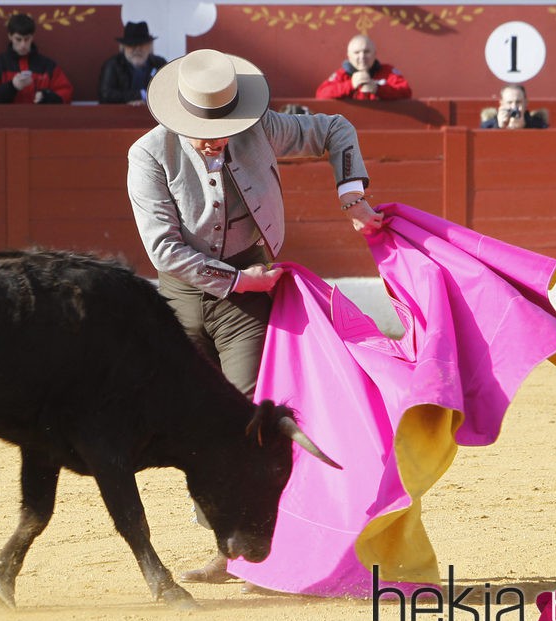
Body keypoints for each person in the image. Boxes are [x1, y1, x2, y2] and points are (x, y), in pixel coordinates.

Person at [127, 48, 382, 586]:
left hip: (247, 304)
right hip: (181, 302)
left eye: (221, 126)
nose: (213, 137)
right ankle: (225, 542)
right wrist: (241, 279)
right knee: (192, 426)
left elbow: (335, 127)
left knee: (246, 426)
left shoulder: (260, 128)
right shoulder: (148, 154)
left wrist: (352, 196)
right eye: (201, 127)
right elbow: (164, 250)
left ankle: (250, 553)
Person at [0, 13, 73, 104]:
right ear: (10, 36)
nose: (23, 45)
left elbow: (66, 94)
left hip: (40, 119)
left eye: (27, 39)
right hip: (5, 120)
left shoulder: (49, 67)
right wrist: (12, 86)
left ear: (32, 37)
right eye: (18, 39)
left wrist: (46, 97)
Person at [315, 34, 412, 101]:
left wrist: (378, 89)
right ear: (349, 56)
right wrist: (351, 85)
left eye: (366, 52)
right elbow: (321, 95)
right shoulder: (342, 75)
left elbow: (406, 92)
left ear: (374, 54)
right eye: (357, 53)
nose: (362, 57)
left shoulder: (388, 72)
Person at [98, 21, 167, 105]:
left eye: (142, 44)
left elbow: (170, 90)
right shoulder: (113, 65)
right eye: (132, 45)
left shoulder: (159, 64)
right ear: (123, 47)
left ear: (150, 46)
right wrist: (140, 95)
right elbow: (105, 95)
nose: (137, 49)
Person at [479, 84, 548, 129]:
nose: (514, 106)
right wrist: (498, 127)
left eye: (518, 102)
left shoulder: (540, 126)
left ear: (526, 103)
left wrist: (525, 127)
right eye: (509, 102)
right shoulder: (487, 127)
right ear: (501, 104)